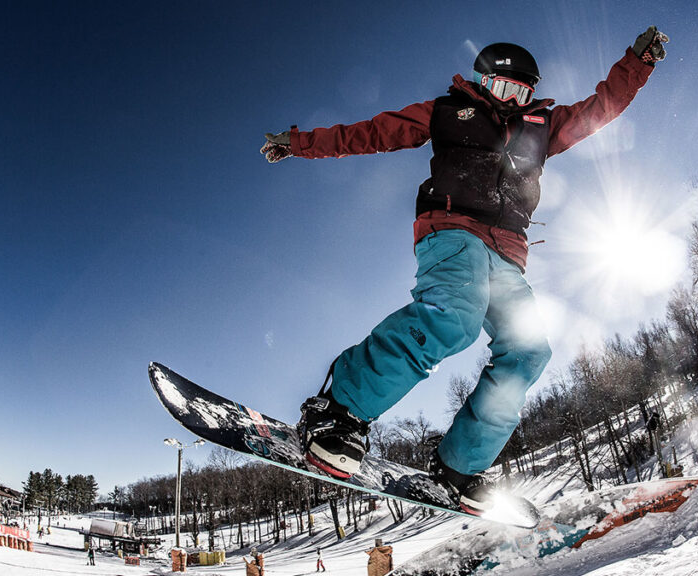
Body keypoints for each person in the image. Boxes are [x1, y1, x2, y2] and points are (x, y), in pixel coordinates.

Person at [264, 28, 668, 514]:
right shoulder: (446, 111)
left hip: (509, 252)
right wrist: (299, 142)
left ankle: (461, 465)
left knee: (529, 351)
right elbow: (370, 133)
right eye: (504, 90)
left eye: (523, 93)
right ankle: (339, 413)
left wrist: (637, 63)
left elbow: (600, 108)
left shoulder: (541, 126)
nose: (513, 101)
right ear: (483, 82)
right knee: (455, 317)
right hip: (452, 231)